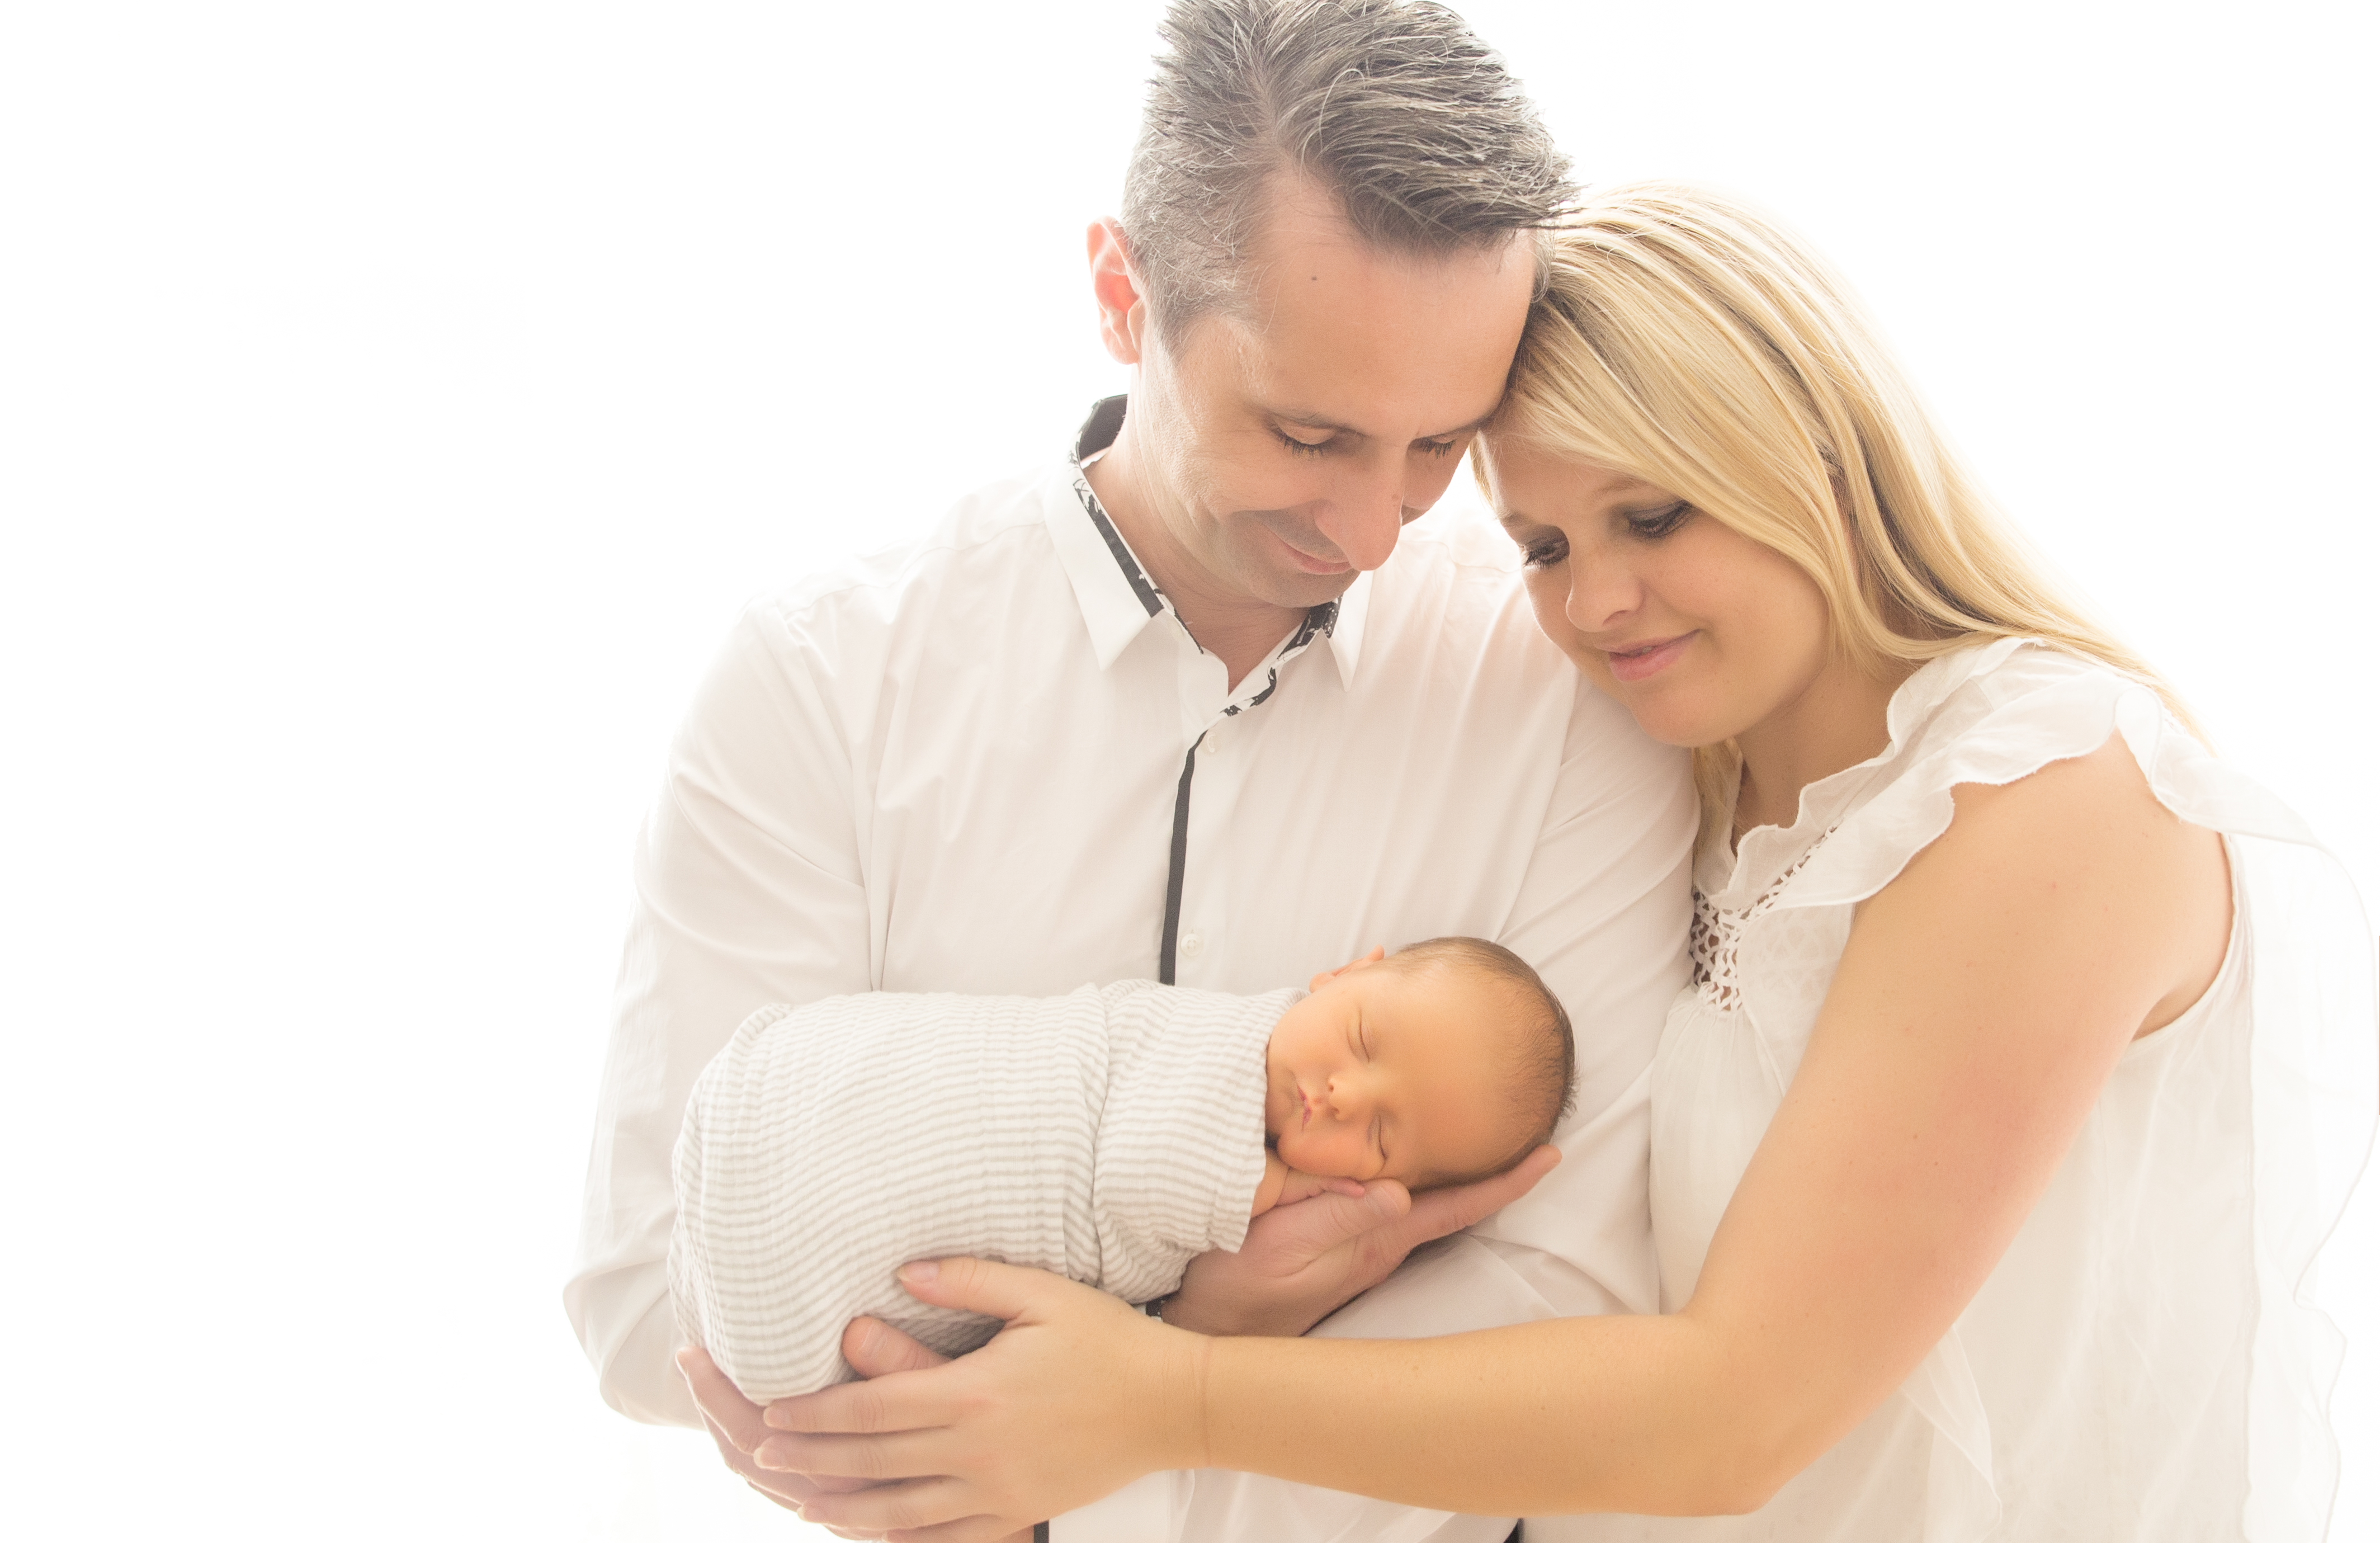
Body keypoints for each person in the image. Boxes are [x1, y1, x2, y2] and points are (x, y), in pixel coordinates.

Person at [735, 183, 2379, 1542]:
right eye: (1541, 544)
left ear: (1810, 454)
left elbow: (1734, 1412)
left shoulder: (2044, 789)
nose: (1593, 605)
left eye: (1653, 518)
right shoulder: (1698, 798)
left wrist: (1158, 1398)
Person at [566, 3, 1697, 1540]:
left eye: (1438, 448)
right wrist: (1180, 1346)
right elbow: (652, 1305)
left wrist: (1143, 1390)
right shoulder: (820, 683)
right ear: (1121, 294)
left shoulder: (1560, 692)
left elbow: (1574, 1295)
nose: (1375, 532)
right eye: (1308, 432)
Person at [673, 938, 1574, 1403]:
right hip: (790, 1104)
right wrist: (1262, 1188)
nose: (1341, 1093)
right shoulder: (1214, 1042)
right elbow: (1137, 1172)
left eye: (1379, 1137)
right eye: (1365, 1039)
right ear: (1341, 973)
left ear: (1382, 1193)